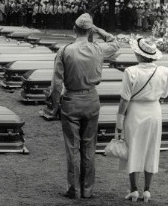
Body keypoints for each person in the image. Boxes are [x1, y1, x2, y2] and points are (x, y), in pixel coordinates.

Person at [50, 13, 120, 199]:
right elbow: (115, 42)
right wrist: (98, 30)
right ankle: (87, 189)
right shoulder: (98, 49)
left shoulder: (64, 51)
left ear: (74, 29)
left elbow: (56, 84)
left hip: (71, 99)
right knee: (89, 145)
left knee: (72, 146)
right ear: (90, 31)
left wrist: (54, 106)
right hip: (91, 99)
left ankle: (74, 189)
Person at [116, 38, 168, 202]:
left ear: (138, 54)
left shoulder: (130, 71)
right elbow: (166, 94)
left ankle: (134, 189)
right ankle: (147, 190)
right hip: (154, 111)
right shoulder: (164, 71)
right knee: (151, 148)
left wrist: (119, 120)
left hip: (135, 111)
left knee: (133, 147)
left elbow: (124, 99)